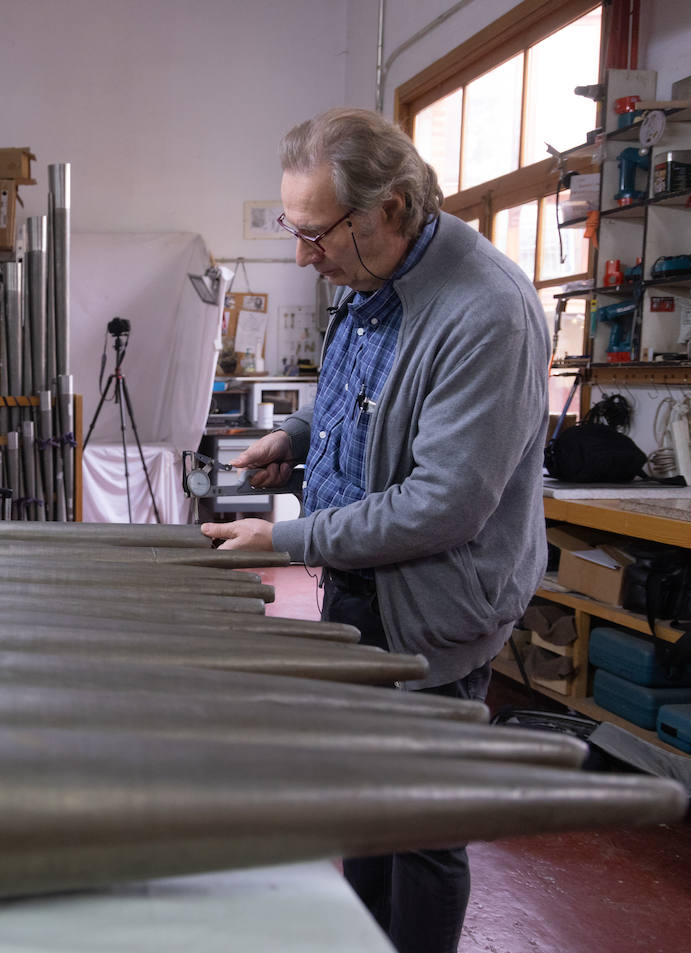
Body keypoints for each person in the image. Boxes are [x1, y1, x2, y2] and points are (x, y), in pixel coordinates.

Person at [201, 107, 550, 953]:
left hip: (435, 605)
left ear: (391, 207)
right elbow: (357, 391)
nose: (300, 256)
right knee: (365, 799)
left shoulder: (485, 314)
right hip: (361, 590)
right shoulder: (371, 282)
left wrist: (283, 541)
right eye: (294, 230)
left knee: (421, 828)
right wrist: (302, 436)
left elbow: (443, 505)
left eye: (316, 235)